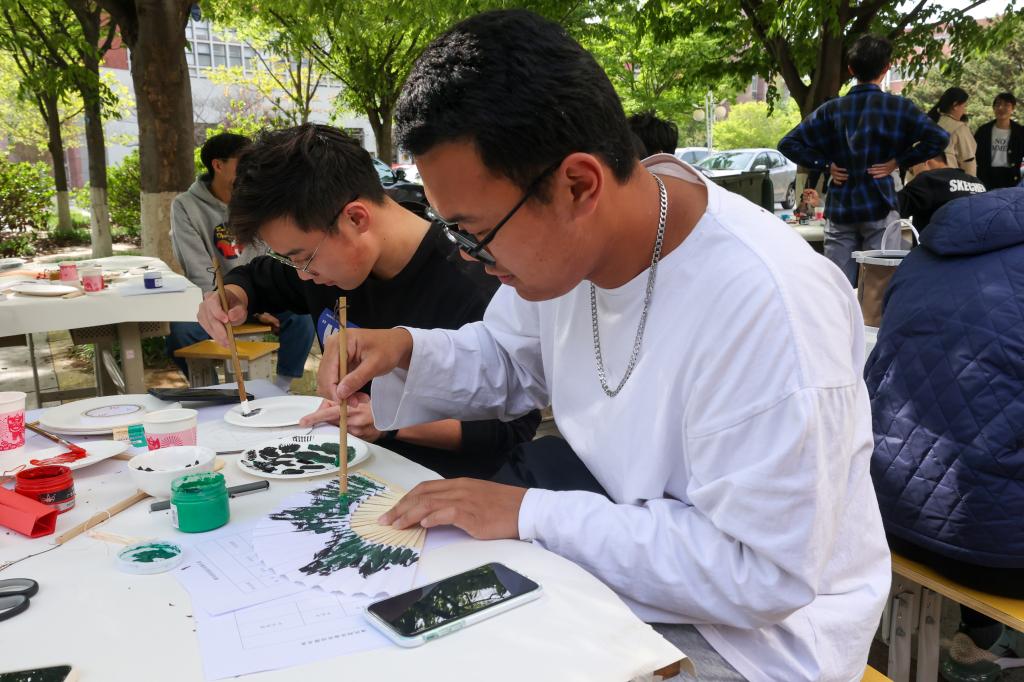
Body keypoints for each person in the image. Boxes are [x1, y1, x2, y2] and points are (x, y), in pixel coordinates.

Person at [318, 11, 890, 681]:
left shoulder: (767, 304)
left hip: (756, 640)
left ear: (579, 185)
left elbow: (759, 573)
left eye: (474, 232)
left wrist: (530, 513)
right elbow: (509, 358)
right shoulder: (573, 250)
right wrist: (404, 349)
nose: (470, 259)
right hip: (616, 555)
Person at [195, 124, 539, 480]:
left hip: (440, 485)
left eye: (304, 258)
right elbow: (257, 277)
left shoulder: (478, 283)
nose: (302, 275)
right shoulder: (326, 263)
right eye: (290, 260)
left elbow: (512, 428)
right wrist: (231, 295)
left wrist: (391, 424)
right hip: (344, 472)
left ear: (356, 218)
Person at [865, 188, 1024, 676]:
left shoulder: (922, 255)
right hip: (994, 555)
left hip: (884, 516)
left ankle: (978, 639)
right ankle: (984, 643)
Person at [779, 34, 948, 286]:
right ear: (887, 67)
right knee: (878, 287)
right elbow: (939, 138)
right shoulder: (899, 107)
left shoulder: (831, 109)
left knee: (838, 286)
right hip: (880, 202)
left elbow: (788, 143)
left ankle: (839, 314)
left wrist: (825, 165)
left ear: (850, 69)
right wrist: (898, 161)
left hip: (841, 206)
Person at [169, 133, 315, 391]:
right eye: (244, 160)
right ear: (218, 165)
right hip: (215, 296)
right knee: (181, 331)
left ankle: (281, 388)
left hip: (258, 292)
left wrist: (257, 301)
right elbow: (198, 268)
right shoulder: (185, 206)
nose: (252, 166)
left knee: (302, 317)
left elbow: (271, 255)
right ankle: (210, 391)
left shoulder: (256, 198)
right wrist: (225, 302)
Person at [897, 152, 986, 232]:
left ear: (925, 162)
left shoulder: (928, 180)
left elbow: (893, 208)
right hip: (979, 243)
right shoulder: (977, 182)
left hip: (936, 244)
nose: (913, 174)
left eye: (911, 169)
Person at [974, 92, 1024, 189]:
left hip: (1011, 177)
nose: (1001, 108)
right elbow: (974, 153)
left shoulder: (1020, 131)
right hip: (986, 176)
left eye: (1006, 105)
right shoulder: (983, 130)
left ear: (1013, 108)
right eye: (998, 104)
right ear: (993, 108)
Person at [928, 87, 978, 176]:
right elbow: (968, 160)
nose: (965, 111)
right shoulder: (958, 128)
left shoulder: (927, 122)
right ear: (955, 105)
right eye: (964, 106)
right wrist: (972, 182)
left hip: (919, 178)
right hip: (945, 179)